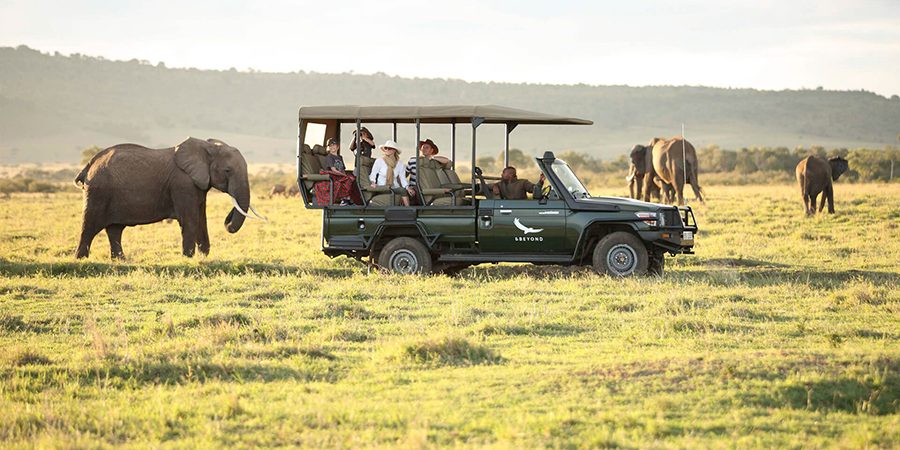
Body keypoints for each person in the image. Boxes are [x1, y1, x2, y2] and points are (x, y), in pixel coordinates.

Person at [314, 137, 360, 206]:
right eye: (330, 146)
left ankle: (353, 199)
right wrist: (343, 175)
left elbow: (343, 169)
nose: (332, 147)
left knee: (353, 178)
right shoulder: (329, 157)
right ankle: (344, 199)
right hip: (334, 176)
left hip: (340, 174)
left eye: (333, 145)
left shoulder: (340, 157)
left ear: (338, 146)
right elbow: (333, 170)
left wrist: (345, 174)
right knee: (347, 180)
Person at [407, 138, 450, 204]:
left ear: (432, 150)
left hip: (428, 187)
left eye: (427, 148)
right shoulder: (413, 160)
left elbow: (447, 161)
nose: (424, 149)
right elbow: (404, 174)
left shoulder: (433, 162)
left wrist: (432, 157)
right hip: (415, 187)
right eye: (423, 147)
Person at [369, 140, 410, 206]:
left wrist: (407, 187)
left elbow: (402, 178)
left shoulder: (399, 163)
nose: (387, 150)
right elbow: (373, 174)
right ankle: (408, 209)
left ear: (394, 150)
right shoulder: (379, 161)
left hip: (394, 187)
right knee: (402, 190)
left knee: (404, 190)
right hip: (383, 187)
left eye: (389, 148)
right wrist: (373, 182)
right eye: (386, 148)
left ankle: (407, 208)